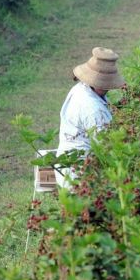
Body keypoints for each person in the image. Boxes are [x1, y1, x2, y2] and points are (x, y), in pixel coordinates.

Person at [55, 47, 125, 188]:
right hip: (82, 176)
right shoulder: (93, 109)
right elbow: (107, 148)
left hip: (67, 166)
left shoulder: (80, 89)